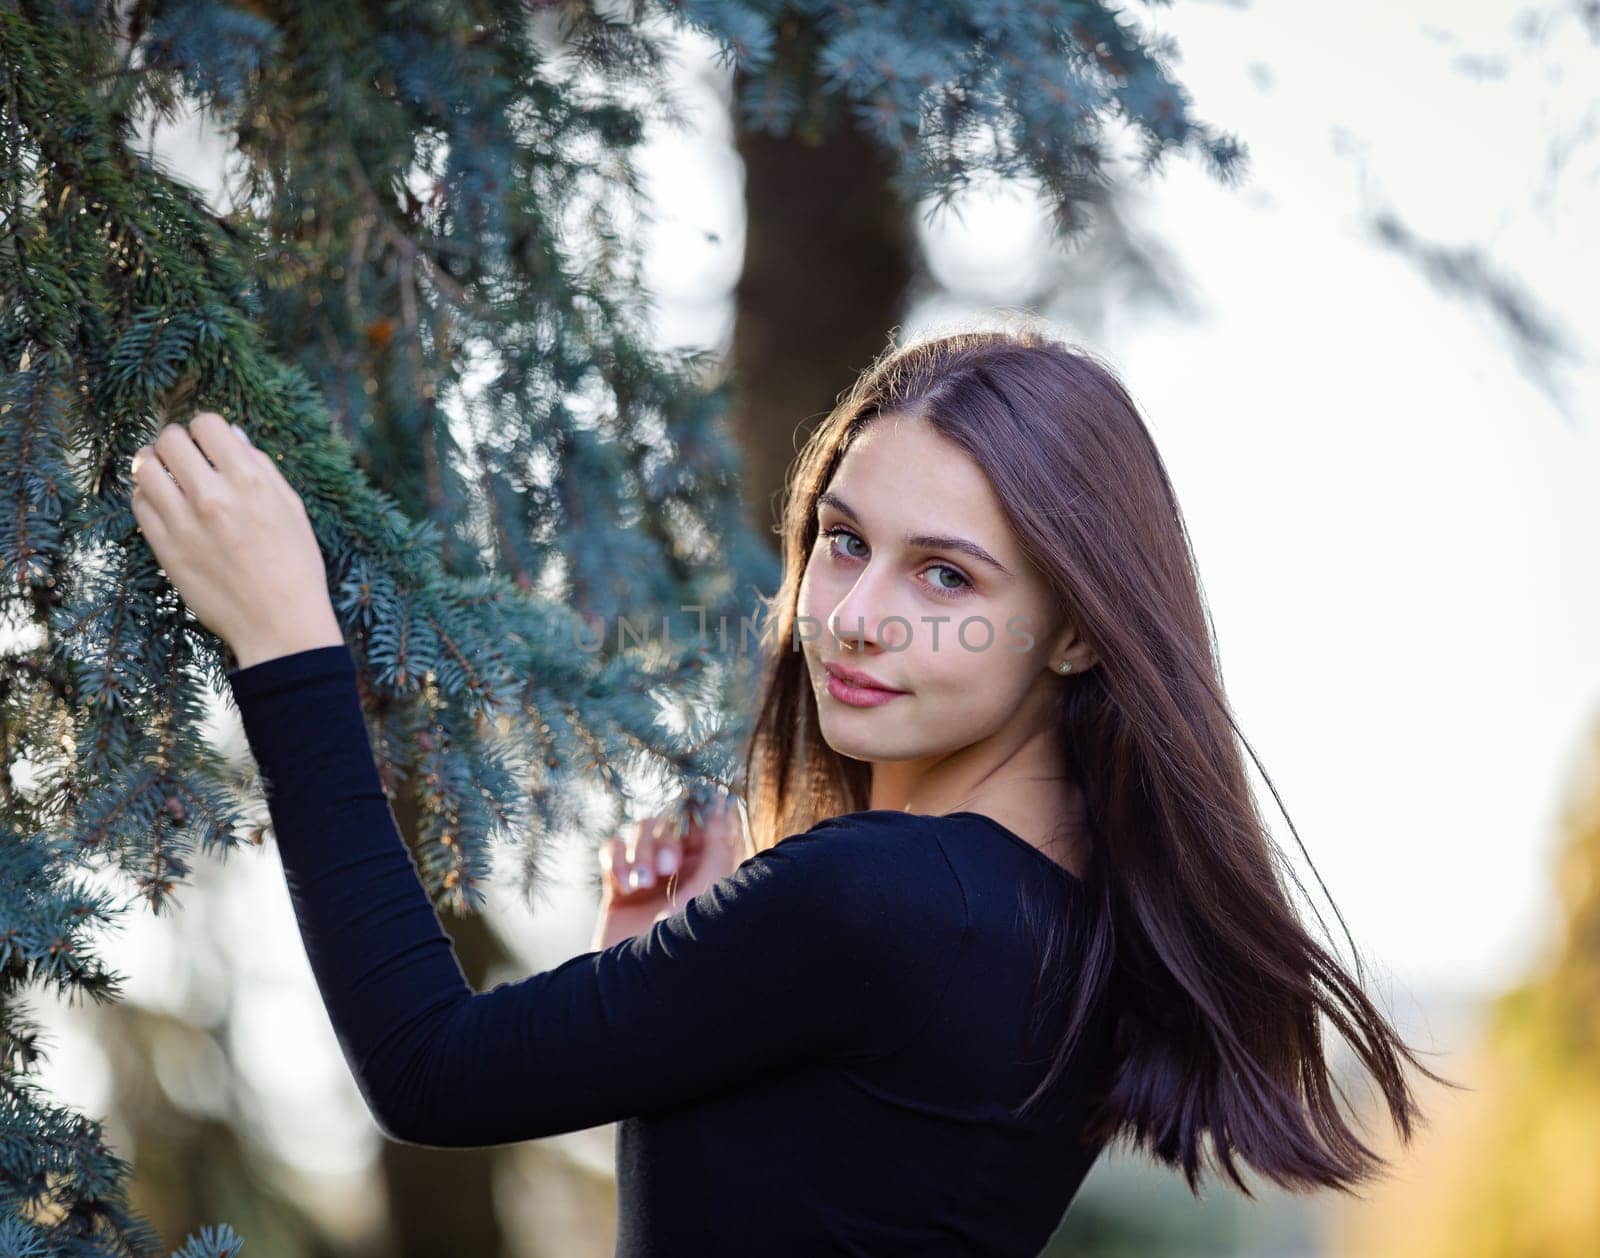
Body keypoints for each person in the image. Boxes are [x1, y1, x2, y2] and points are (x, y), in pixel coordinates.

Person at [130, 324, 1453, 1256]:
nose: (853, 617)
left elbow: (431, 1070)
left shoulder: (880, 897)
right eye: (843, 541)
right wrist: (670, 1001)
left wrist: (287, 642)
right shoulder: (1057, 925)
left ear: (1076, 630)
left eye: (948, 576)